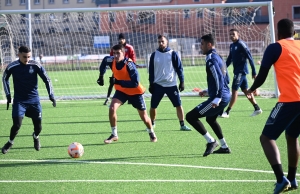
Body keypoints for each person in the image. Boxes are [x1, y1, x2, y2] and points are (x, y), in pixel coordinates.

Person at [246, 18, 300, 194]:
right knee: (292, 136)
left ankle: (280, 179)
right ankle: (292, 178)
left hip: (289, 100)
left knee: (266, 138)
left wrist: (251, 89)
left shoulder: (275, 47)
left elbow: (262, 75)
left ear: (278, 33)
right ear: (294, 33)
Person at [97, 44, 157, 144]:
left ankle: (151, 132)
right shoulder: (110, 60)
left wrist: (118, 82)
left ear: (123, 53)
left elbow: (135, 83)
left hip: (135, 92)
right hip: (121, 91)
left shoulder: (129, 64)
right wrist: (101, 76)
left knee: (144, 117)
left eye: (118, 53)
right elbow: (104, 61)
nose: (115, 56)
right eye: (114, 53)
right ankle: (114, 134)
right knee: (112, 108)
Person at [1, 46, 56, 154]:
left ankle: (36, 137)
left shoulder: (35, 65)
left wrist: (51, 95)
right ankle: (10, 142)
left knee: (38, 126)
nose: (27, 59)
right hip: (19, 101)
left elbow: (47, 79)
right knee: (17, 125)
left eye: (29, 57)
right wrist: (8, 95)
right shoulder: (12, 66)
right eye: (24, 57)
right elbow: (4, 78)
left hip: (34, 100)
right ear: (19, 55)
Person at [186, 34, 231, 157]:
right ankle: (224, 146)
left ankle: (211, 141)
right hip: (225, 95)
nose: (200, 46)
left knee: (190, 117)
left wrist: (217, 96)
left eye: (202, 44)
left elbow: (219, 78)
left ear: (209, 44)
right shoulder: (219, 56)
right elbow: (226, 79)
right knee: (210, 119)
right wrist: (208, 90)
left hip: (220, 97)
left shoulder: (211, 58)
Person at [148, 35, 191, 131]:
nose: (161, 43)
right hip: (158, 85)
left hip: (171, 85)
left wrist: (182, 81)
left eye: (162, 41)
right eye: (159, 41)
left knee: (178, 105)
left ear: (167, 41)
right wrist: (151, 84)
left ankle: (182, 124)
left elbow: (179, 68)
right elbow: (151, 70)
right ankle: (152, 123)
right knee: (153, 106)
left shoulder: (173, 54)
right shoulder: (154, 55)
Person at [220, 28, 262, 118]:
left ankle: (227, 112)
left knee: (234, 90)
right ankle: (257, 108)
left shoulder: (241, 44)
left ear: (238, 35)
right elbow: (229, 59)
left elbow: (250, 57)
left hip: (241, 71)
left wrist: (254, 72)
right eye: (230, 34)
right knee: (246, 90)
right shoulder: (232, 46)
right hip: (237, 71)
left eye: (233, 34)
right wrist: (223, 69)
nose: (231, 36)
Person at [103, 33, 136, 106]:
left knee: (130, 83)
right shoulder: (115, 48)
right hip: (117, 69)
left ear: (125, 40)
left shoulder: (129, 47)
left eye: (122, 39)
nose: (121, 40)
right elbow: (111, 57)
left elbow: (132, 57)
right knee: (112, 82)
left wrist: (132, 66)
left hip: (127, 69)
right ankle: (108, 98)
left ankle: (130, 98)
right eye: (120, 39)